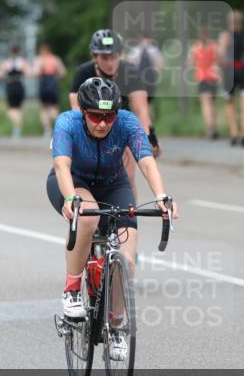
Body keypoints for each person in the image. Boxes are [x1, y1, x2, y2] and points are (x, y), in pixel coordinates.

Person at [46, 77, 179, 358]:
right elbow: (61, 165)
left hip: (113, 184)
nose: (103, 123)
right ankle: (72, 290)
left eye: (109, 116)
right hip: (73, 181)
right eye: (95, 116)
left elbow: (145, 160)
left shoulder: (127, 123)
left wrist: (160, 195)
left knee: (127, 260)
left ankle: (116, 324)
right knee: (86, 217)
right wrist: (71, 198)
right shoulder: (67, 123)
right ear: (83, 112)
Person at [71, 29, 161, 158]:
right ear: (94, 56)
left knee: (128, 169)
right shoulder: (83, 72)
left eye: (114, 57)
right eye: (104, 58)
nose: (110, 63)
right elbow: (76, 110)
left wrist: (149, 139)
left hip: (119, 122)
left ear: (120, 55)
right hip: (92, 123)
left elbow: (141, 110)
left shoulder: (130, 71)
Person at [218, 10, 244, 147]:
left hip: (229, 72)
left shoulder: (225, 37)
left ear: (229, 22)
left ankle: (234, 131)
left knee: (229, 102)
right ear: (242, 22)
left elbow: (220, 55)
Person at [0, 45, 31, 138]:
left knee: (11, 109)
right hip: (19, 85)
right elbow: (29, 73)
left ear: (10, 52)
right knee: (18, 108)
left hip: (10, 86)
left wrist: (3, 76)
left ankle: (17, 126)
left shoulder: (6, 63)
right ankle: (17, 126)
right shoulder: (22, 62)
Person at [190, 28, 221, 139]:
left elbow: (190, 62)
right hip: (213, 77)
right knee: (212, 104)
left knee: (205, 104)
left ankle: (210, 128)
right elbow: (219, 60)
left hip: (202, 78)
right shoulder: (214, 46)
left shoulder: (195, 47)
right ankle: (214, 127)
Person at [33, 43, 67, 136]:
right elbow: (63, 72)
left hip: (43, 83)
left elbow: (35, 73)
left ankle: (47, 129)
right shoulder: (55, 59)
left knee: (43, 108)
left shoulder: (39, 59)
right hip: (53, 82)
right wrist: (56, 77)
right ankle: (57, 127)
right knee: (54, 107)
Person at [126, 33, 164, 113]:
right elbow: (129, 62)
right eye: (143, 39)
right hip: (139, 79)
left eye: (146, 39)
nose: (145, 42)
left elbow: (160, 64)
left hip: (150, 79)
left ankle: (148, 121)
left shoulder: (153, 50)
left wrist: (156, 72)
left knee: (149, 102)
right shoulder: (136, 50)